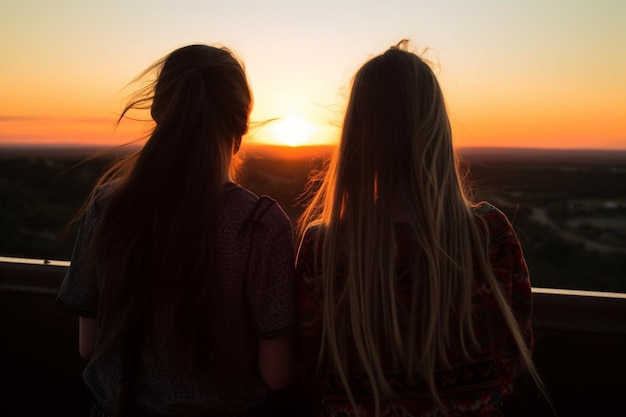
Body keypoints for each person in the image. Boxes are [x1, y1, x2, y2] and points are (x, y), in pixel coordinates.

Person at [295, 40, 546, 417]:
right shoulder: (489, 236)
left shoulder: (324, 251)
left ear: (358, 136)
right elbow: (515, 355)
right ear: (437, 130)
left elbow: (307, 364)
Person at [56, 44, 296, 417]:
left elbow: (89, 346)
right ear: (241, 122)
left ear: (157, 113)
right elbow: (276, 374)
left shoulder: (109, 207)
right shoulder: (259, 226)